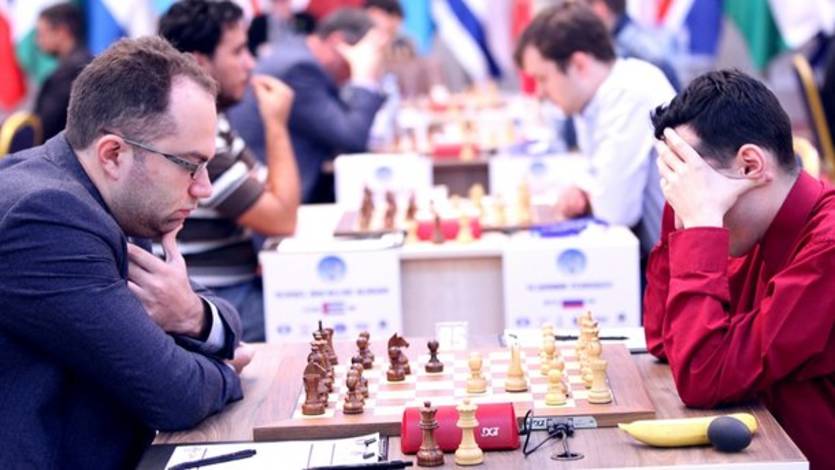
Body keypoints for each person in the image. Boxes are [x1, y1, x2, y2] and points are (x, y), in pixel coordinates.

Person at [0, 37, 251, 468]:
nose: (204, 188)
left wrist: (193, 315)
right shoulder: (46, 217)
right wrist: (227, 371)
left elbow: (210, 312)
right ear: (114, 154)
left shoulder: (108, 194)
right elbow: (174, 393)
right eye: (190, 165)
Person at [645, 69, 835, 470]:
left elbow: (703, 376)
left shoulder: (827, 247)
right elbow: (664, 340)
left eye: (690, 178)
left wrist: (702, 223)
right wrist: (686, 213)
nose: (685, 195)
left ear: (750, 165)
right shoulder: (749, 224)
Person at [159, 0, 300, 342]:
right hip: (211, 297)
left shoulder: (216, 123)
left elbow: (272, 195)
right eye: (238, 52)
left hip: (233, 285)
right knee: (316, 320)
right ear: (198, 62)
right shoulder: (189, 137)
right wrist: (276, 124)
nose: (250, 64)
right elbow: (282, 218)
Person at [514, 3, 675, 256]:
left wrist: (587, 192)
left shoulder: (628, 92)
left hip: (678, 266)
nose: (539, 93)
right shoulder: (591, 100)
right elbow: (594, 175)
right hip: (657, 256)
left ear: (579, 65)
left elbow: (616, 211)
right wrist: (587, 189)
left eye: (543, 79)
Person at [228, 7, 387, 203]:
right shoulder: (299, 69)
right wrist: (363, 77)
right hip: (273, 198)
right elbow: (352, 139)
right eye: (371, 56)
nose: (375, 64)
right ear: (338, 42)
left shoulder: (299, 53)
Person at [583, 0, 680, 91]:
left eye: (590, 4)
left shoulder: (636, 45)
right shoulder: (613, 39)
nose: (585, 13)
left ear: (603, 7)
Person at [33, 2, 93, 140]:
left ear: (62, 32)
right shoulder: (91, 63)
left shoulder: (68, 73)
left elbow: (43, 127)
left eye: (41, 34)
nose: (37, 41)